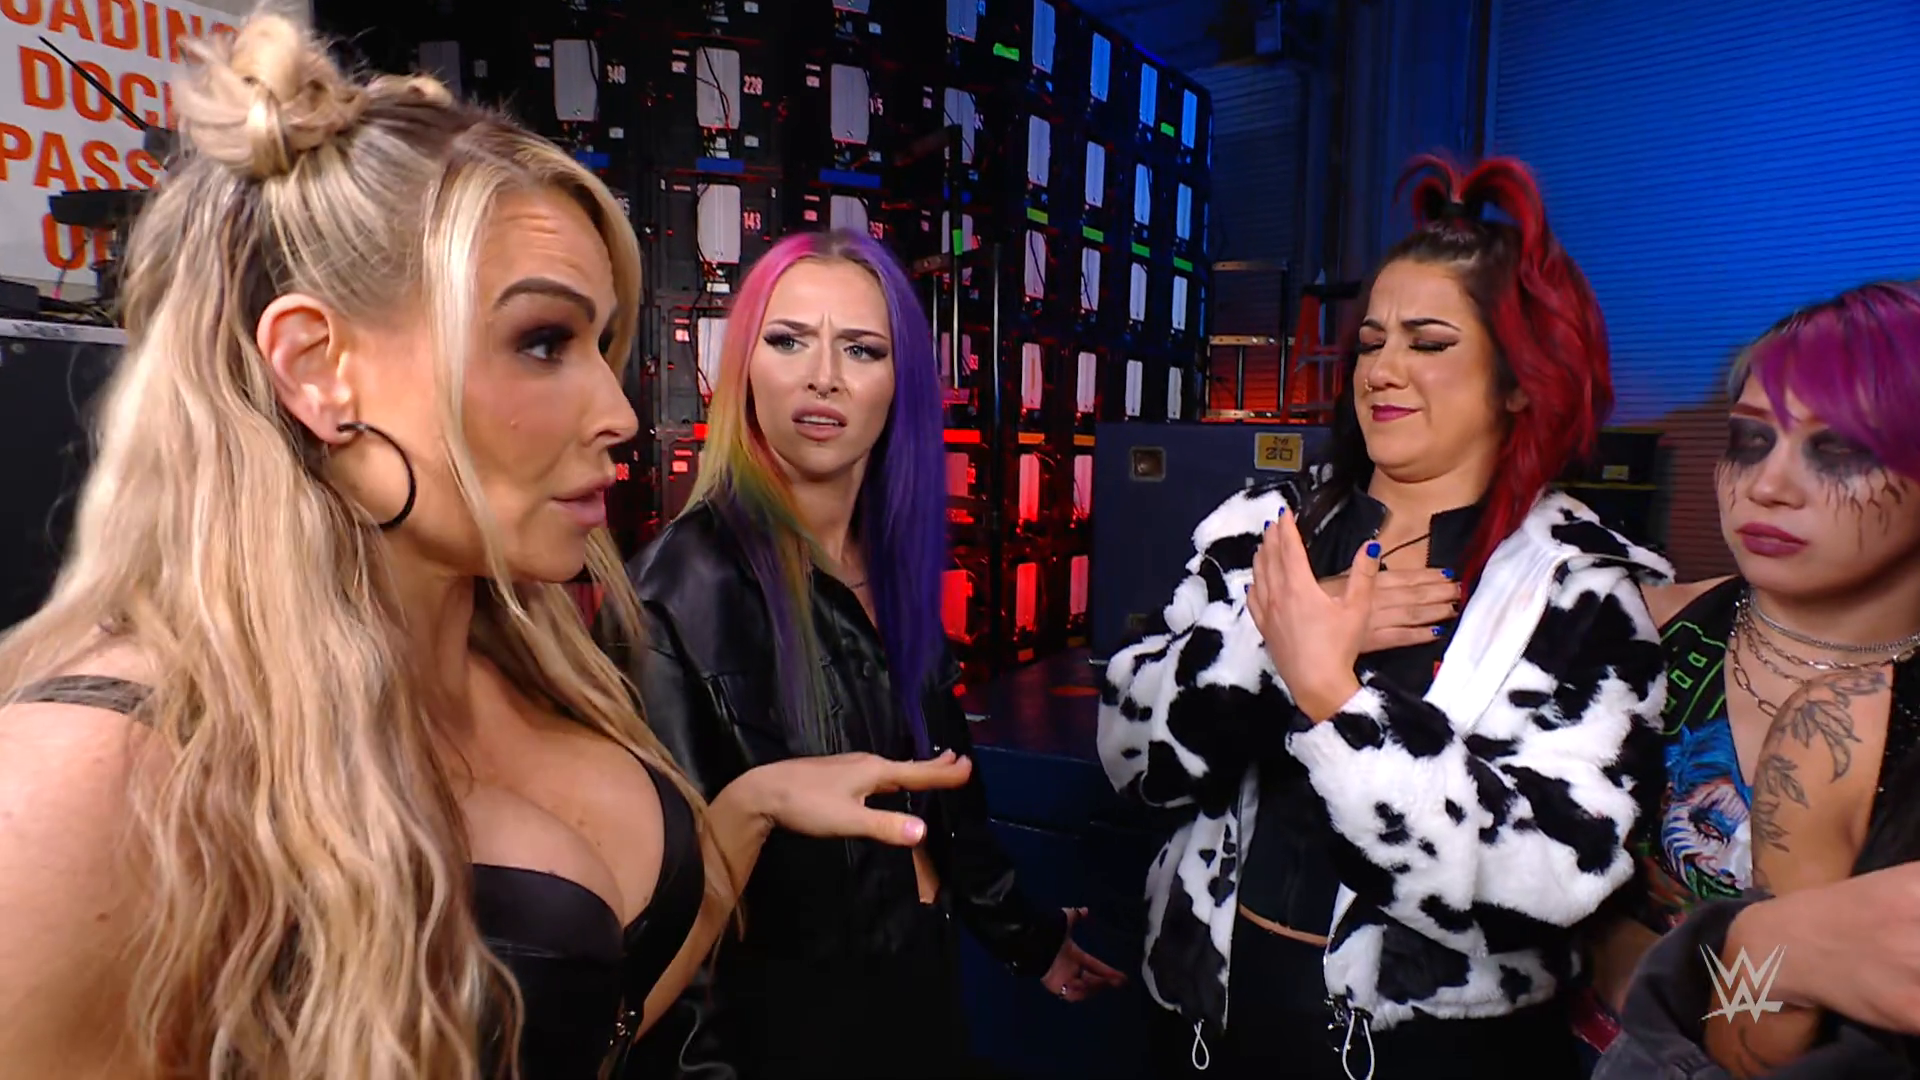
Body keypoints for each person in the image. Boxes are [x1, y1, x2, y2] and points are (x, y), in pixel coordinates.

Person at [0, 17, 974, 1080]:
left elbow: (595, 1030)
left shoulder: (539, 659)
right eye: (542, 342)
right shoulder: (84, 783)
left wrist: (748, 810)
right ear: (317, 367)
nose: (618, 414)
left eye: (600, 345)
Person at [1096, 155, 1673, 1080]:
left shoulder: (1578, 593)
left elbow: (1560, 872)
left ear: (1520, 381)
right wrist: (1266, 647)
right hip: (1212, 1017)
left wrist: (1337, 700)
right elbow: (1131, 756)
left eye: (1429, 343)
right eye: (1371, 342)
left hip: (1433, 1054)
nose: (1383, 370)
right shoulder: (1264, 527)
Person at [612, 229, 1125, 1079]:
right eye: (788, 341)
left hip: (919, 997)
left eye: (861, 349)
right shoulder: (673, 595)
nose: (824, 376)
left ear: (900, 383)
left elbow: (944, 790)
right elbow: (673, 918)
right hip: (785, 1041)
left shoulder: (891, 565)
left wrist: (1031, 942)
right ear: (744, 368)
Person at [1588, 281, 1920, 1078]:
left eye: (1841, 450)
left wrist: (1766, 963)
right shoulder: (1632, 629)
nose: (1768, 485)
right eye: (1749, 439)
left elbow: (1757, 1043)